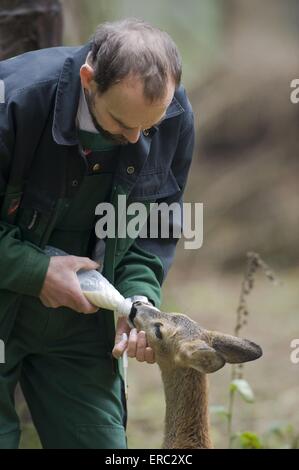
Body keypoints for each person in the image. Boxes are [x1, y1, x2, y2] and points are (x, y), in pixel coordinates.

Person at [0, 18, 194, 448]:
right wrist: (36, 272)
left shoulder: (174, 115)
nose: (135, 139)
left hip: (78, 321)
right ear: (89, 80)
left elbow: (156, 226)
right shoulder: (13, 101)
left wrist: (139, 303)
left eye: (149, 127)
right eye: (121, 125)